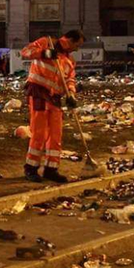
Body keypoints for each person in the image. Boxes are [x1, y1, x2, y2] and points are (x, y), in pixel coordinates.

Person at [21, 29, 85, 184]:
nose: (77, 49)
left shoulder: (69, 60)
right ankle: (31, 168)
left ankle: (51, 169)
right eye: (77, 45)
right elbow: (25, 52)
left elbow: (69, 79)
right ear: (70, 40)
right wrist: (45, 53)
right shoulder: (47, 43)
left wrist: (71, 94)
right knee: (39, 132)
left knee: (56, 134)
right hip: (38, 92)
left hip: (55, 98)